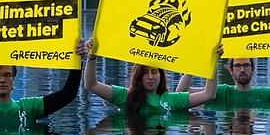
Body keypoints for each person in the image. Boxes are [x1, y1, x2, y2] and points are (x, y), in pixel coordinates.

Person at [83, 41, 221, 113]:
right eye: (144, 72)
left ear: (161, 76)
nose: (150, 77)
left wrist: (213, 60)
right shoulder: (125, 96)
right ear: (137, 76)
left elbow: (209, 94)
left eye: (154, 72)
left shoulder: (171, 99)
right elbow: (91, 85)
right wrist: (92, 56)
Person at [176, 37, 270, 106]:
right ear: (230, 70)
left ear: (253, 70)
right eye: (237, 66)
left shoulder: (264, 93)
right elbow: (180, 94)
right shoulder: (220, 92)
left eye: (246, 65)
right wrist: (199, 62)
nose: (242, 69)